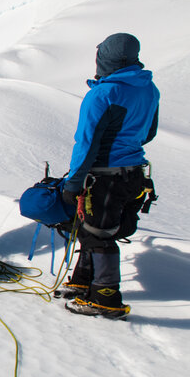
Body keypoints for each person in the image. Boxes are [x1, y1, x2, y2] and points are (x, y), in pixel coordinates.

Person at [57, 33, 160, 319]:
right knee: (92, 228)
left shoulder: (102, 94)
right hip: (134, 174)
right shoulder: (149, 89)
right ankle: (81, 283)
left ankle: (106, 297)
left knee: (96, 235)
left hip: (104, 176)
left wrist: (74, 183)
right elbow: (148, 133)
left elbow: (87, 144)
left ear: (105, 59)